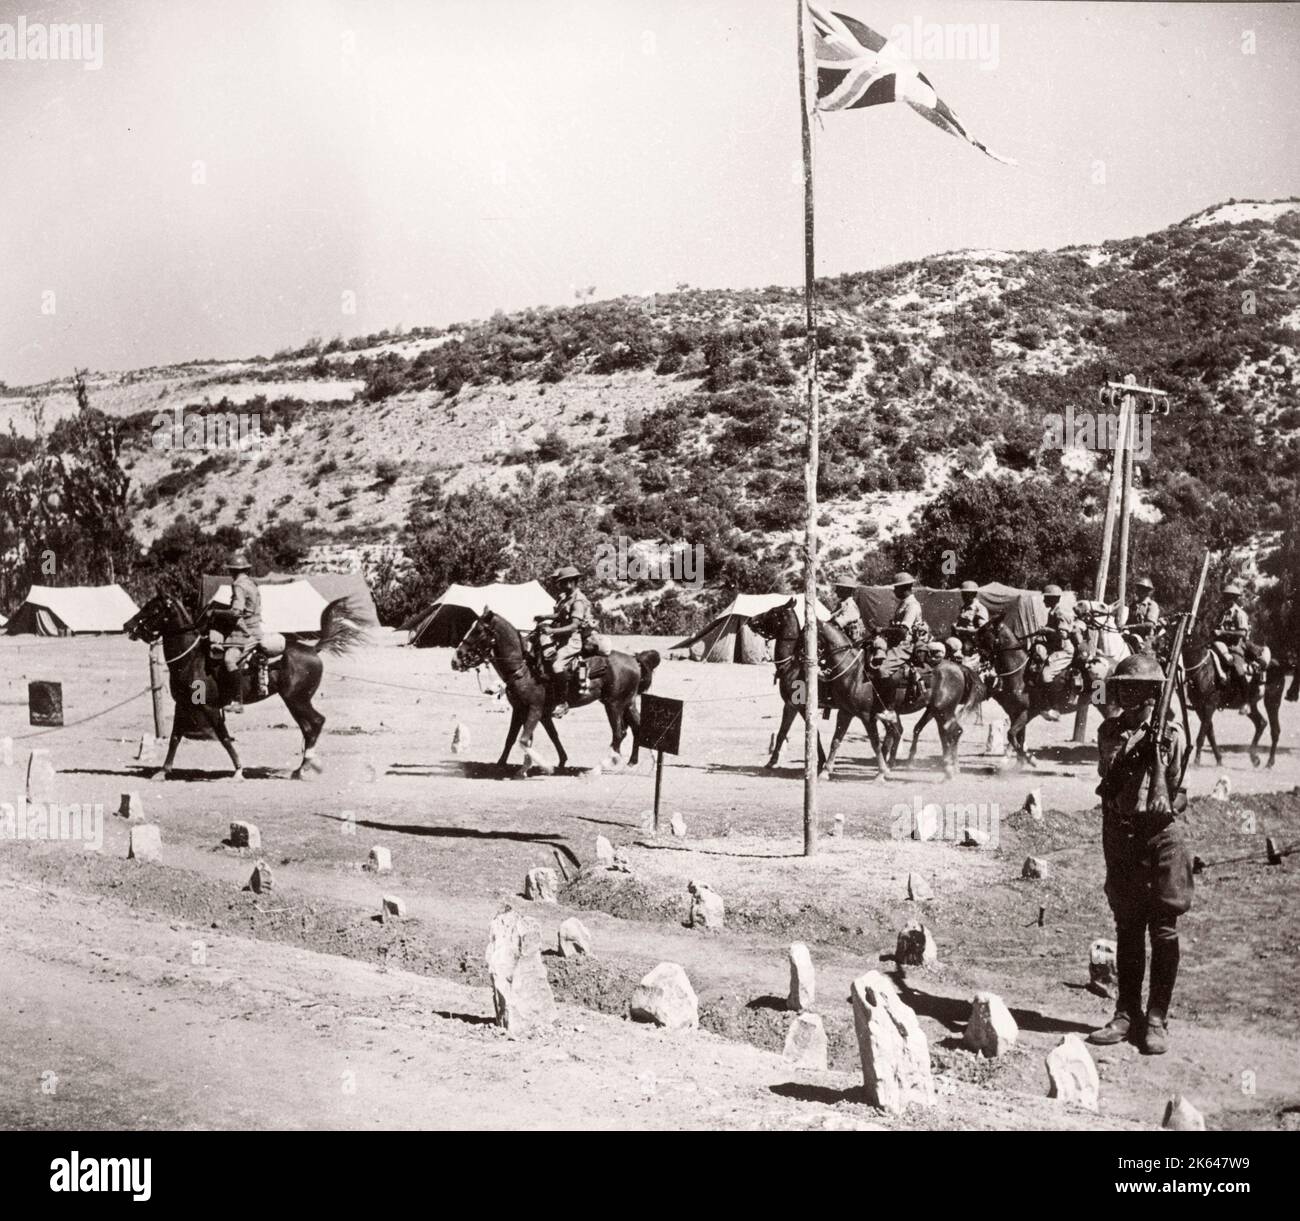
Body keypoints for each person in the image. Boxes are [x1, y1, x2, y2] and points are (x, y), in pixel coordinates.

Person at [1088, 652, 1192, 1056]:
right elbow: (1110, 785)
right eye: (1126, 688)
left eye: (1143, 690)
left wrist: (1166, 799)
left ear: (1155, 693)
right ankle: (1126, 1013)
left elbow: (1179, 787)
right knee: (1127, 927)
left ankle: (1156, 1019)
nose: (1133, 696)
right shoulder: (1108, 732)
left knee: (1164, 929)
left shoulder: (1172, 733)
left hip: (1161, 837)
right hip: (1121, 836)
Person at [542, 565, 596, 718]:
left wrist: (551, 631)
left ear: (575, 581)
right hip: (560, 637)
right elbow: (560, 616)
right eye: (563, 582)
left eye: (568, 582)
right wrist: (544, 617)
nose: (565, 585)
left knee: (556, 665)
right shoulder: (565, 597)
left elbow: (573, 626)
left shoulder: (578, 601)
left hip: (572, 641)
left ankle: (562, 702)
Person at [220, 550, 261, 712]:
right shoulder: (251, 583)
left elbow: (236, 611)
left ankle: (237, 701)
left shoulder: (238, 585)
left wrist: (219, 613)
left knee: (229, 659)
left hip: (247, 631)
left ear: (233, 571)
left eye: (231, 570)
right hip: (255, 626)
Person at [951, 580, 988, 662]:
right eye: (962, 594)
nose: (963, 596)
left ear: (973, 594)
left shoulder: (979, 609)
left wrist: (963, 630)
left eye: (965, 594)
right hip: (961, 645)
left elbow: (984, 631)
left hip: (972, 650)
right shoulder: (964, 608)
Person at [827, 571, 866, 647]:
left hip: (853, 641)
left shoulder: (850, 604)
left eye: (838, 588)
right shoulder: (841, 604)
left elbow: (840, 622)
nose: (836, 591)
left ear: (845, 590)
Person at [1125, 577, 1161, 650]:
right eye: (1139, 588)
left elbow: (1149, 625)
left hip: (1146, 640)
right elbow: (1128, 621)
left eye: (1143, 589)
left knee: (1143, 657)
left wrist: (1129, 626)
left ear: (1148, 592)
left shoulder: (1152, 605)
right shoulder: (1133, 605)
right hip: (1131, 637)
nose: (1139, 591)